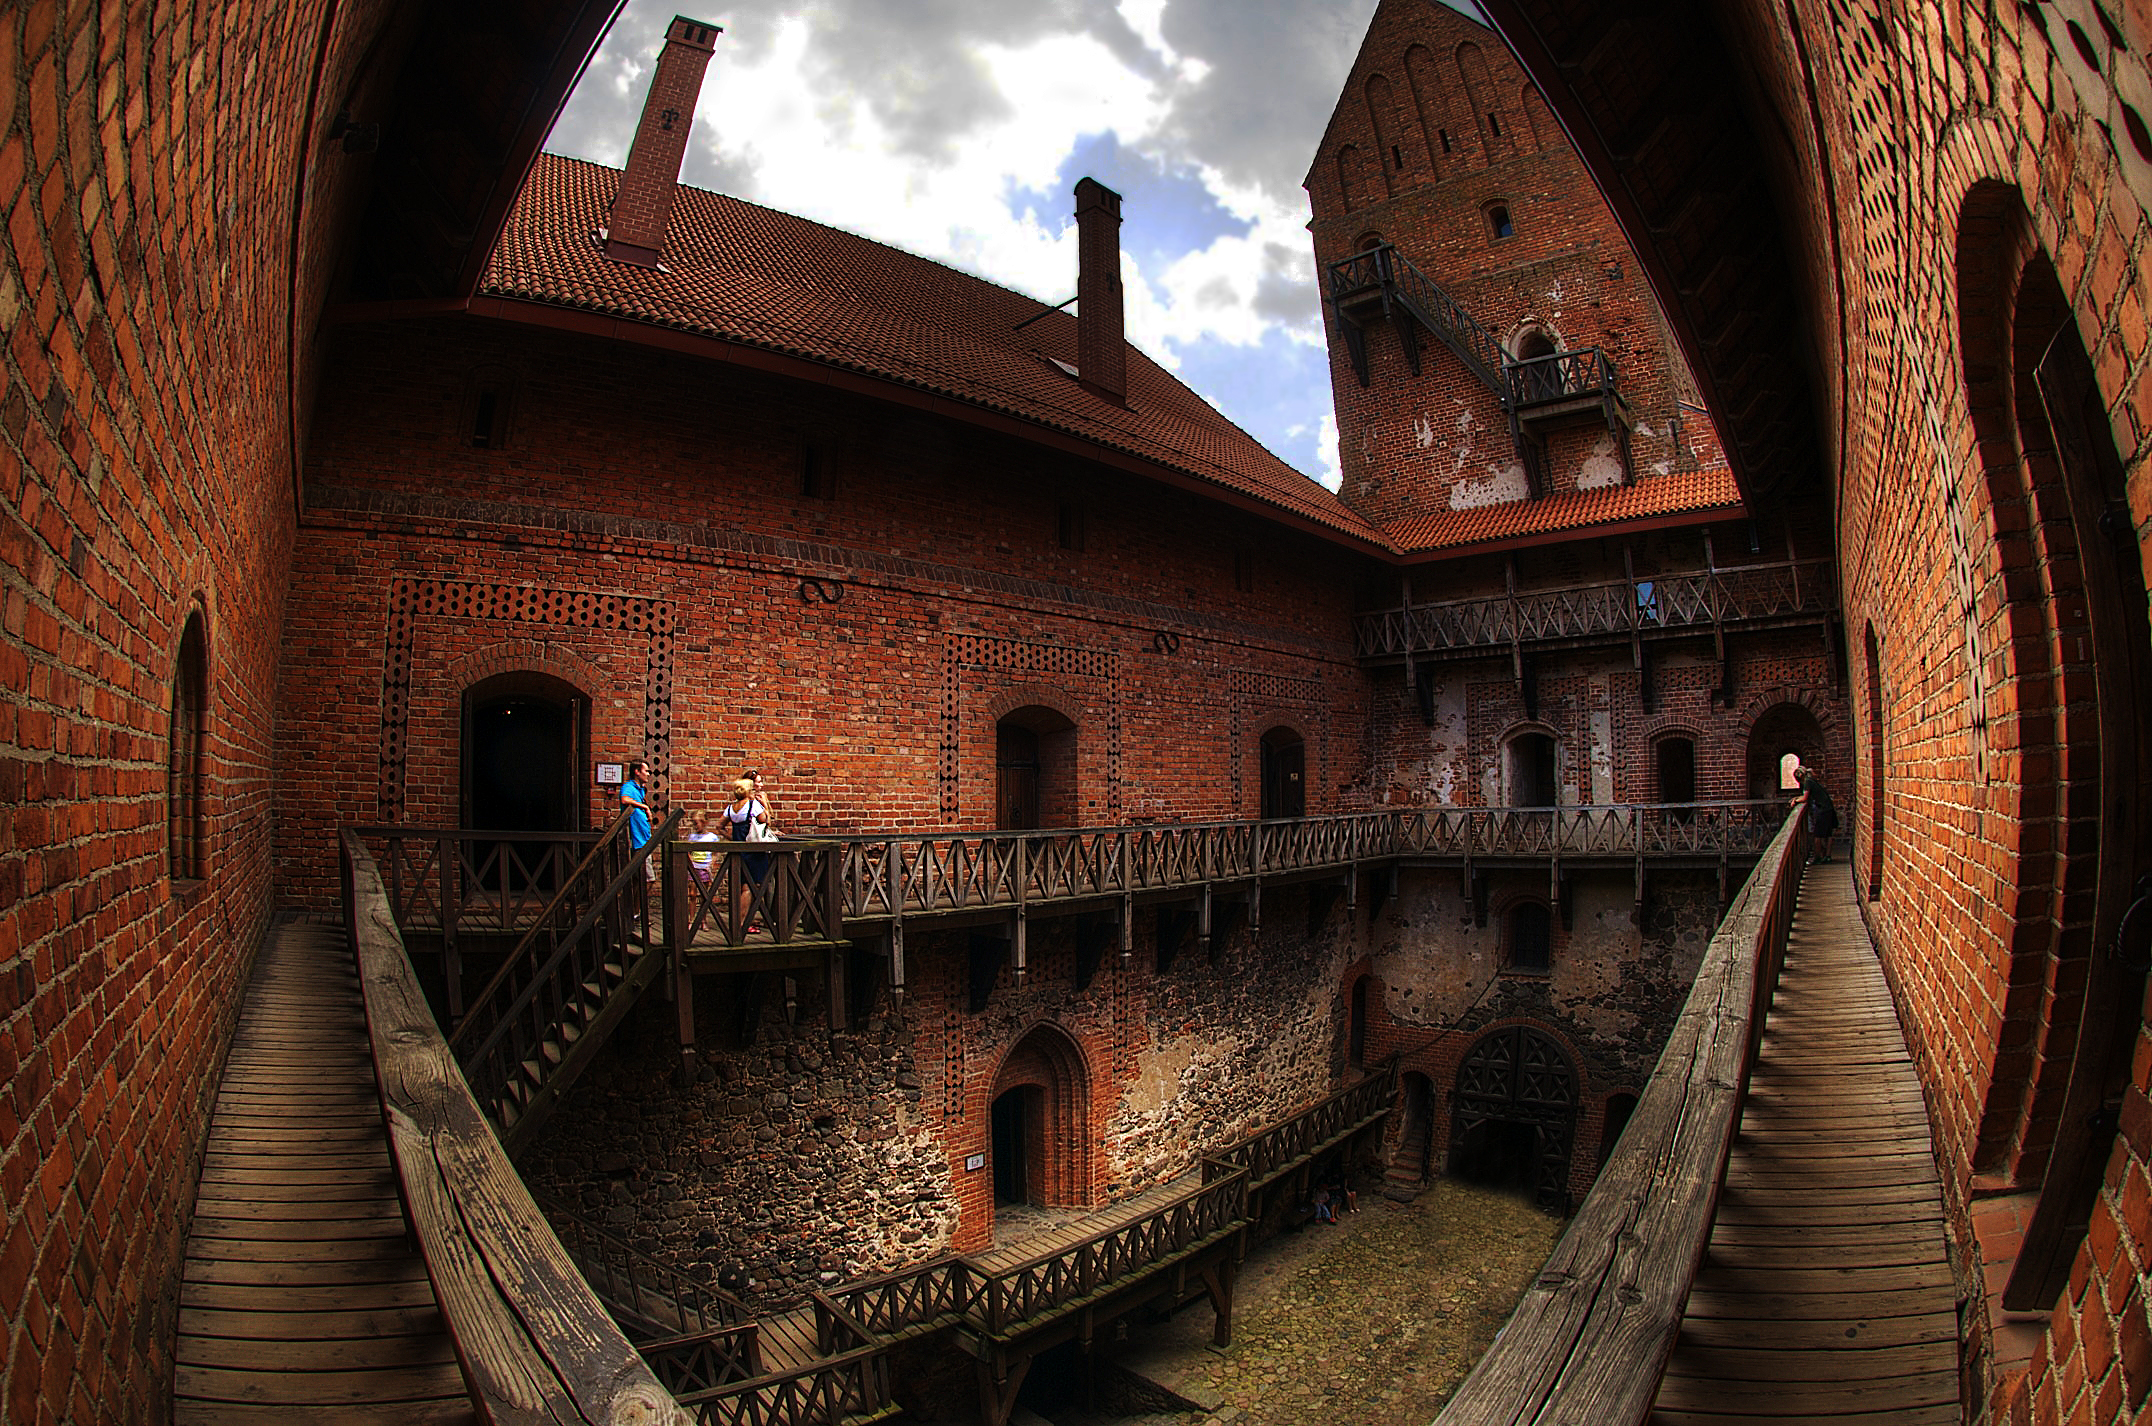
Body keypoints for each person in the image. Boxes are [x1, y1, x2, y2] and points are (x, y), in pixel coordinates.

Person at [723, 775, 772, 931]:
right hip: (753, 852)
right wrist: (764, 805)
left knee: (743, 886)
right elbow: (766, 821)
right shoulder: (753, 806)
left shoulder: (731, 808)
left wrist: (732, 838)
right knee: (749, 887)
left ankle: (744, 920)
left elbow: (719, 826)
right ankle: (742, 923)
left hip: (739, 850)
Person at [1794, 762, 1838, 863]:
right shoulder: (1812, 781)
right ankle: (1827, 856)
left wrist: (1795, 800)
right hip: (1828, 809)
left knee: (1817, 835)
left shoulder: (1808, 782)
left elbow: (1805, 798)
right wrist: (1797, 798)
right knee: (1828, 834)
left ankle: (1818, 857)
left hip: (1823, 810)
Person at [685, 810, 721, 887]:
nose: (695, 826)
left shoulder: (712, 837)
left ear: (704, 822)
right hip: (694, 867)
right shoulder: (692, 837)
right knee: (692, 892)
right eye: (693, 823)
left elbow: (715, 853)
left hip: (705, 868)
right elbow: (689, 852)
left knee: (705, 890)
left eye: (696, 823)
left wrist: (711, 864)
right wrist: (691, 863)